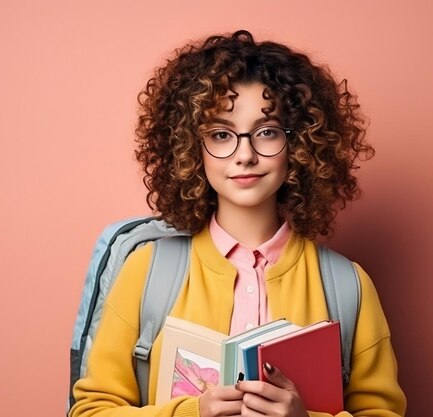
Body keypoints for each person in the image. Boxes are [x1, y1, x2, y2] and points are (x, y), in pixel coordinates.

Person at [70, 30, 406, 417]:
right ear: (190, 147)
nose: (244, 155)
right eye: (220, 134)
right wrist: (192, 412)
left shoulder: (350, 286)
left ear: (300, 145)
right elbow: (91, 411)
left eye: (266, 132)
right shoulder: (146, 272)